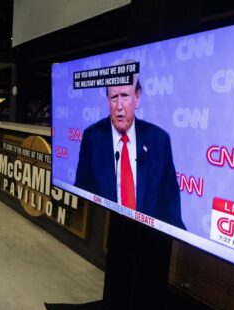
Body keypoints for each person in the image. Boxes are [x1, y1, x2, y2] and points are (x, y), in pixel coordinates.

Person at [74, 61, 185, 229]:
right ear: (107, 101)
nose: (119, 106)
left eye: (125, 96)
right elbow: (80, 194)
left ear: (137, 97)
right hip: (104, 230)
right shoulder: (92, 138)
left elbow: (171, 209)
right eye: (114, 97)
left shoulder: (159, 141)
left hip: (149, 239)